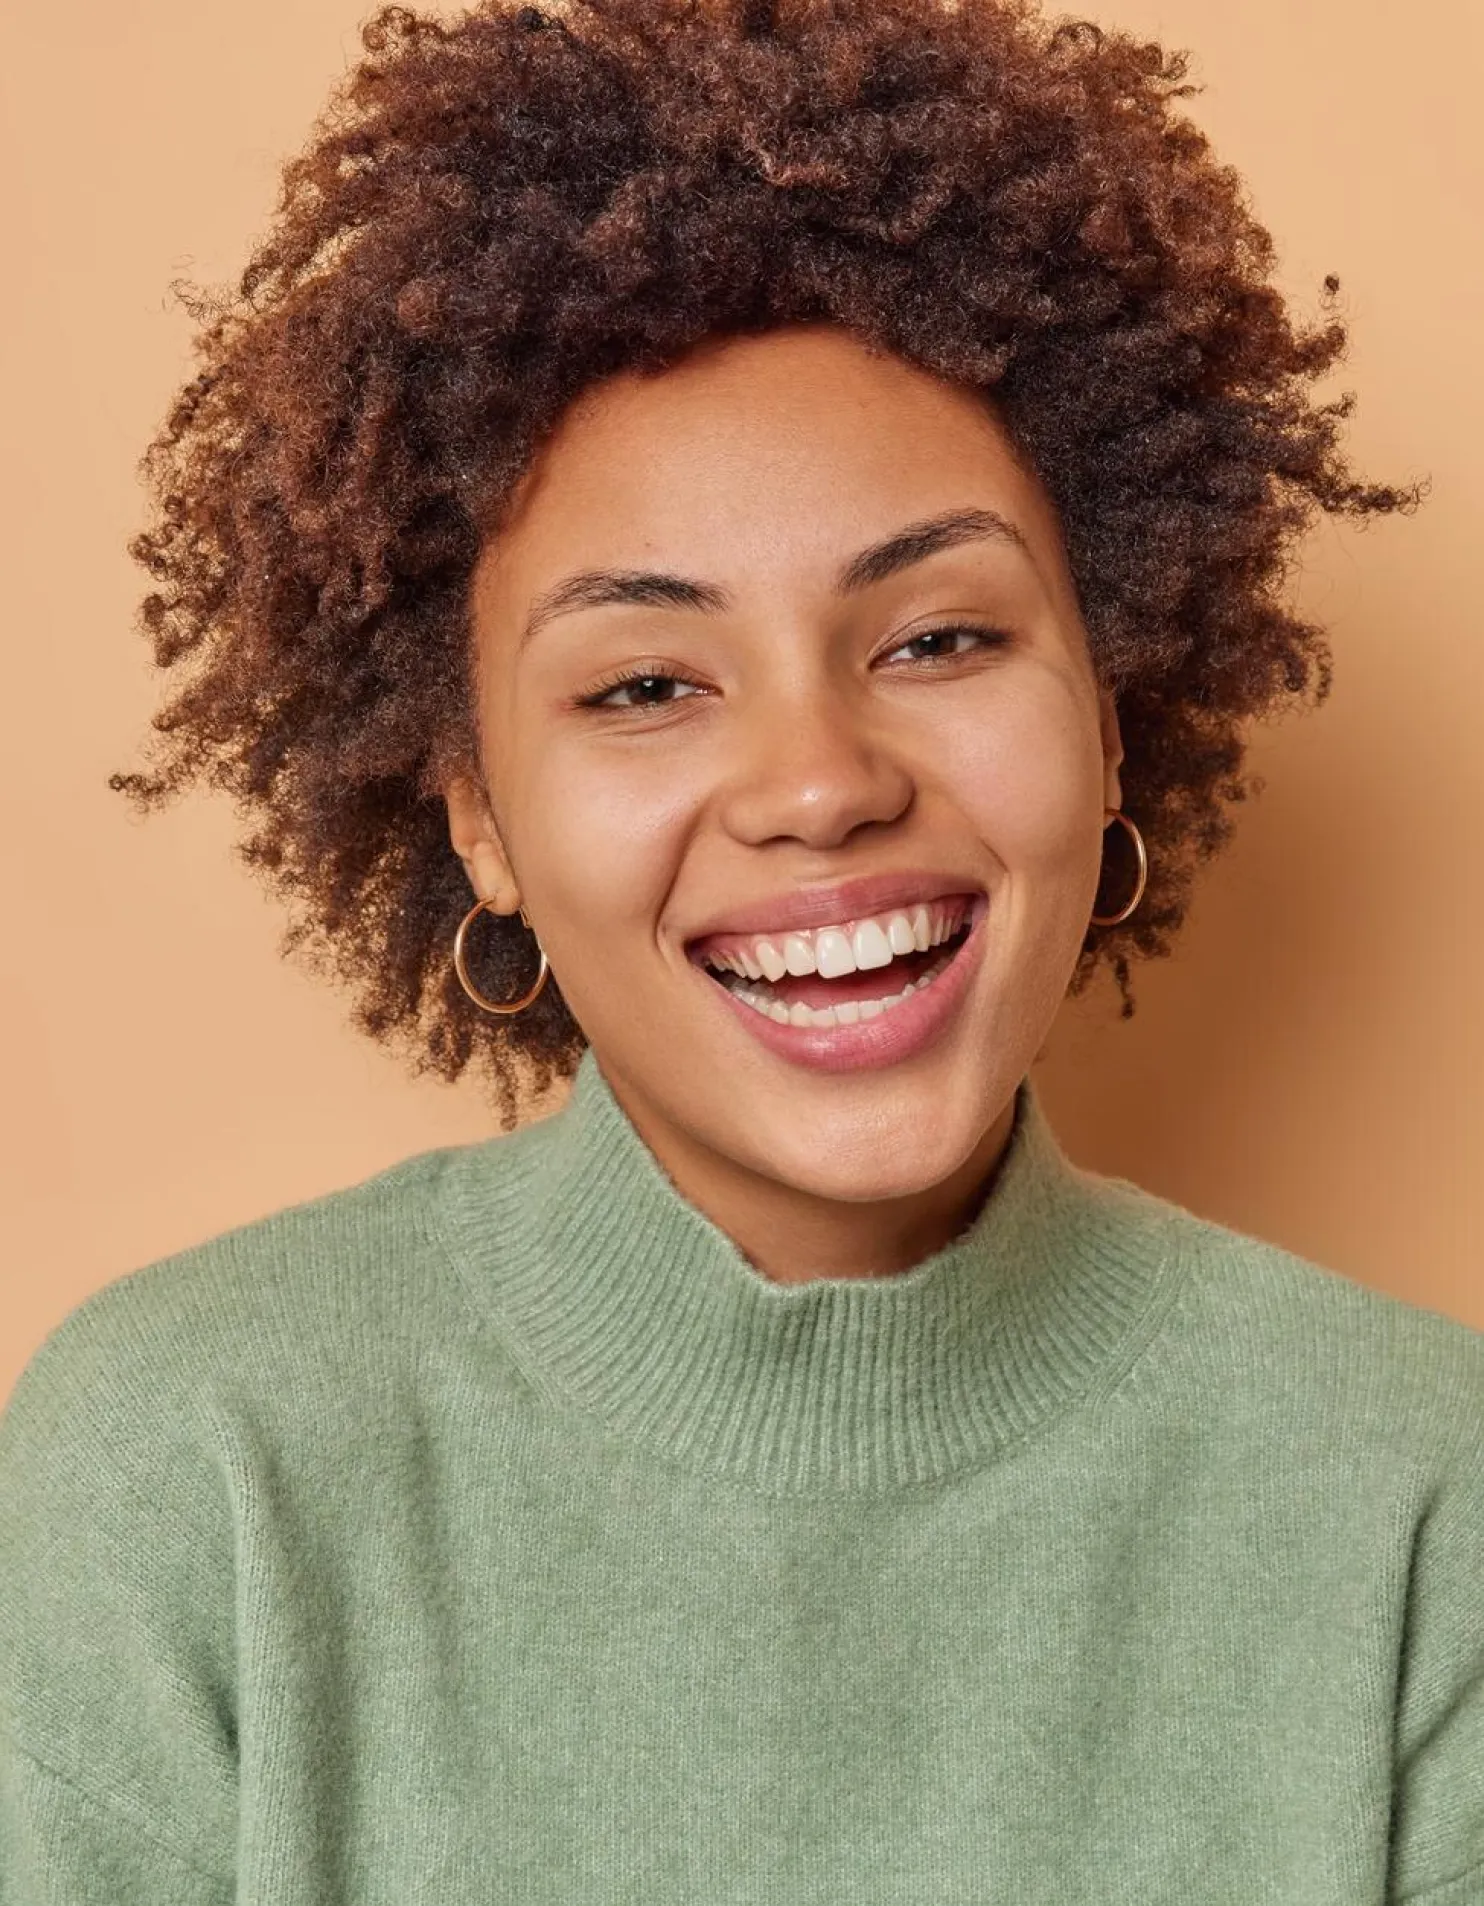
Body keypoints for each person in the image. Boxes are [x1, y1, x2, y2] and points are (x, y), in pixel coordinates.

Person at [2, 0, 1480, 1899]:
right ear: (477, 818)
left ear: (1112, 706)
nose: (818, 784)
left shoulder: (1420, 1503)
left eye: (939, 639)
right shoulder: (191, 1473)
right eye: (642, 681)